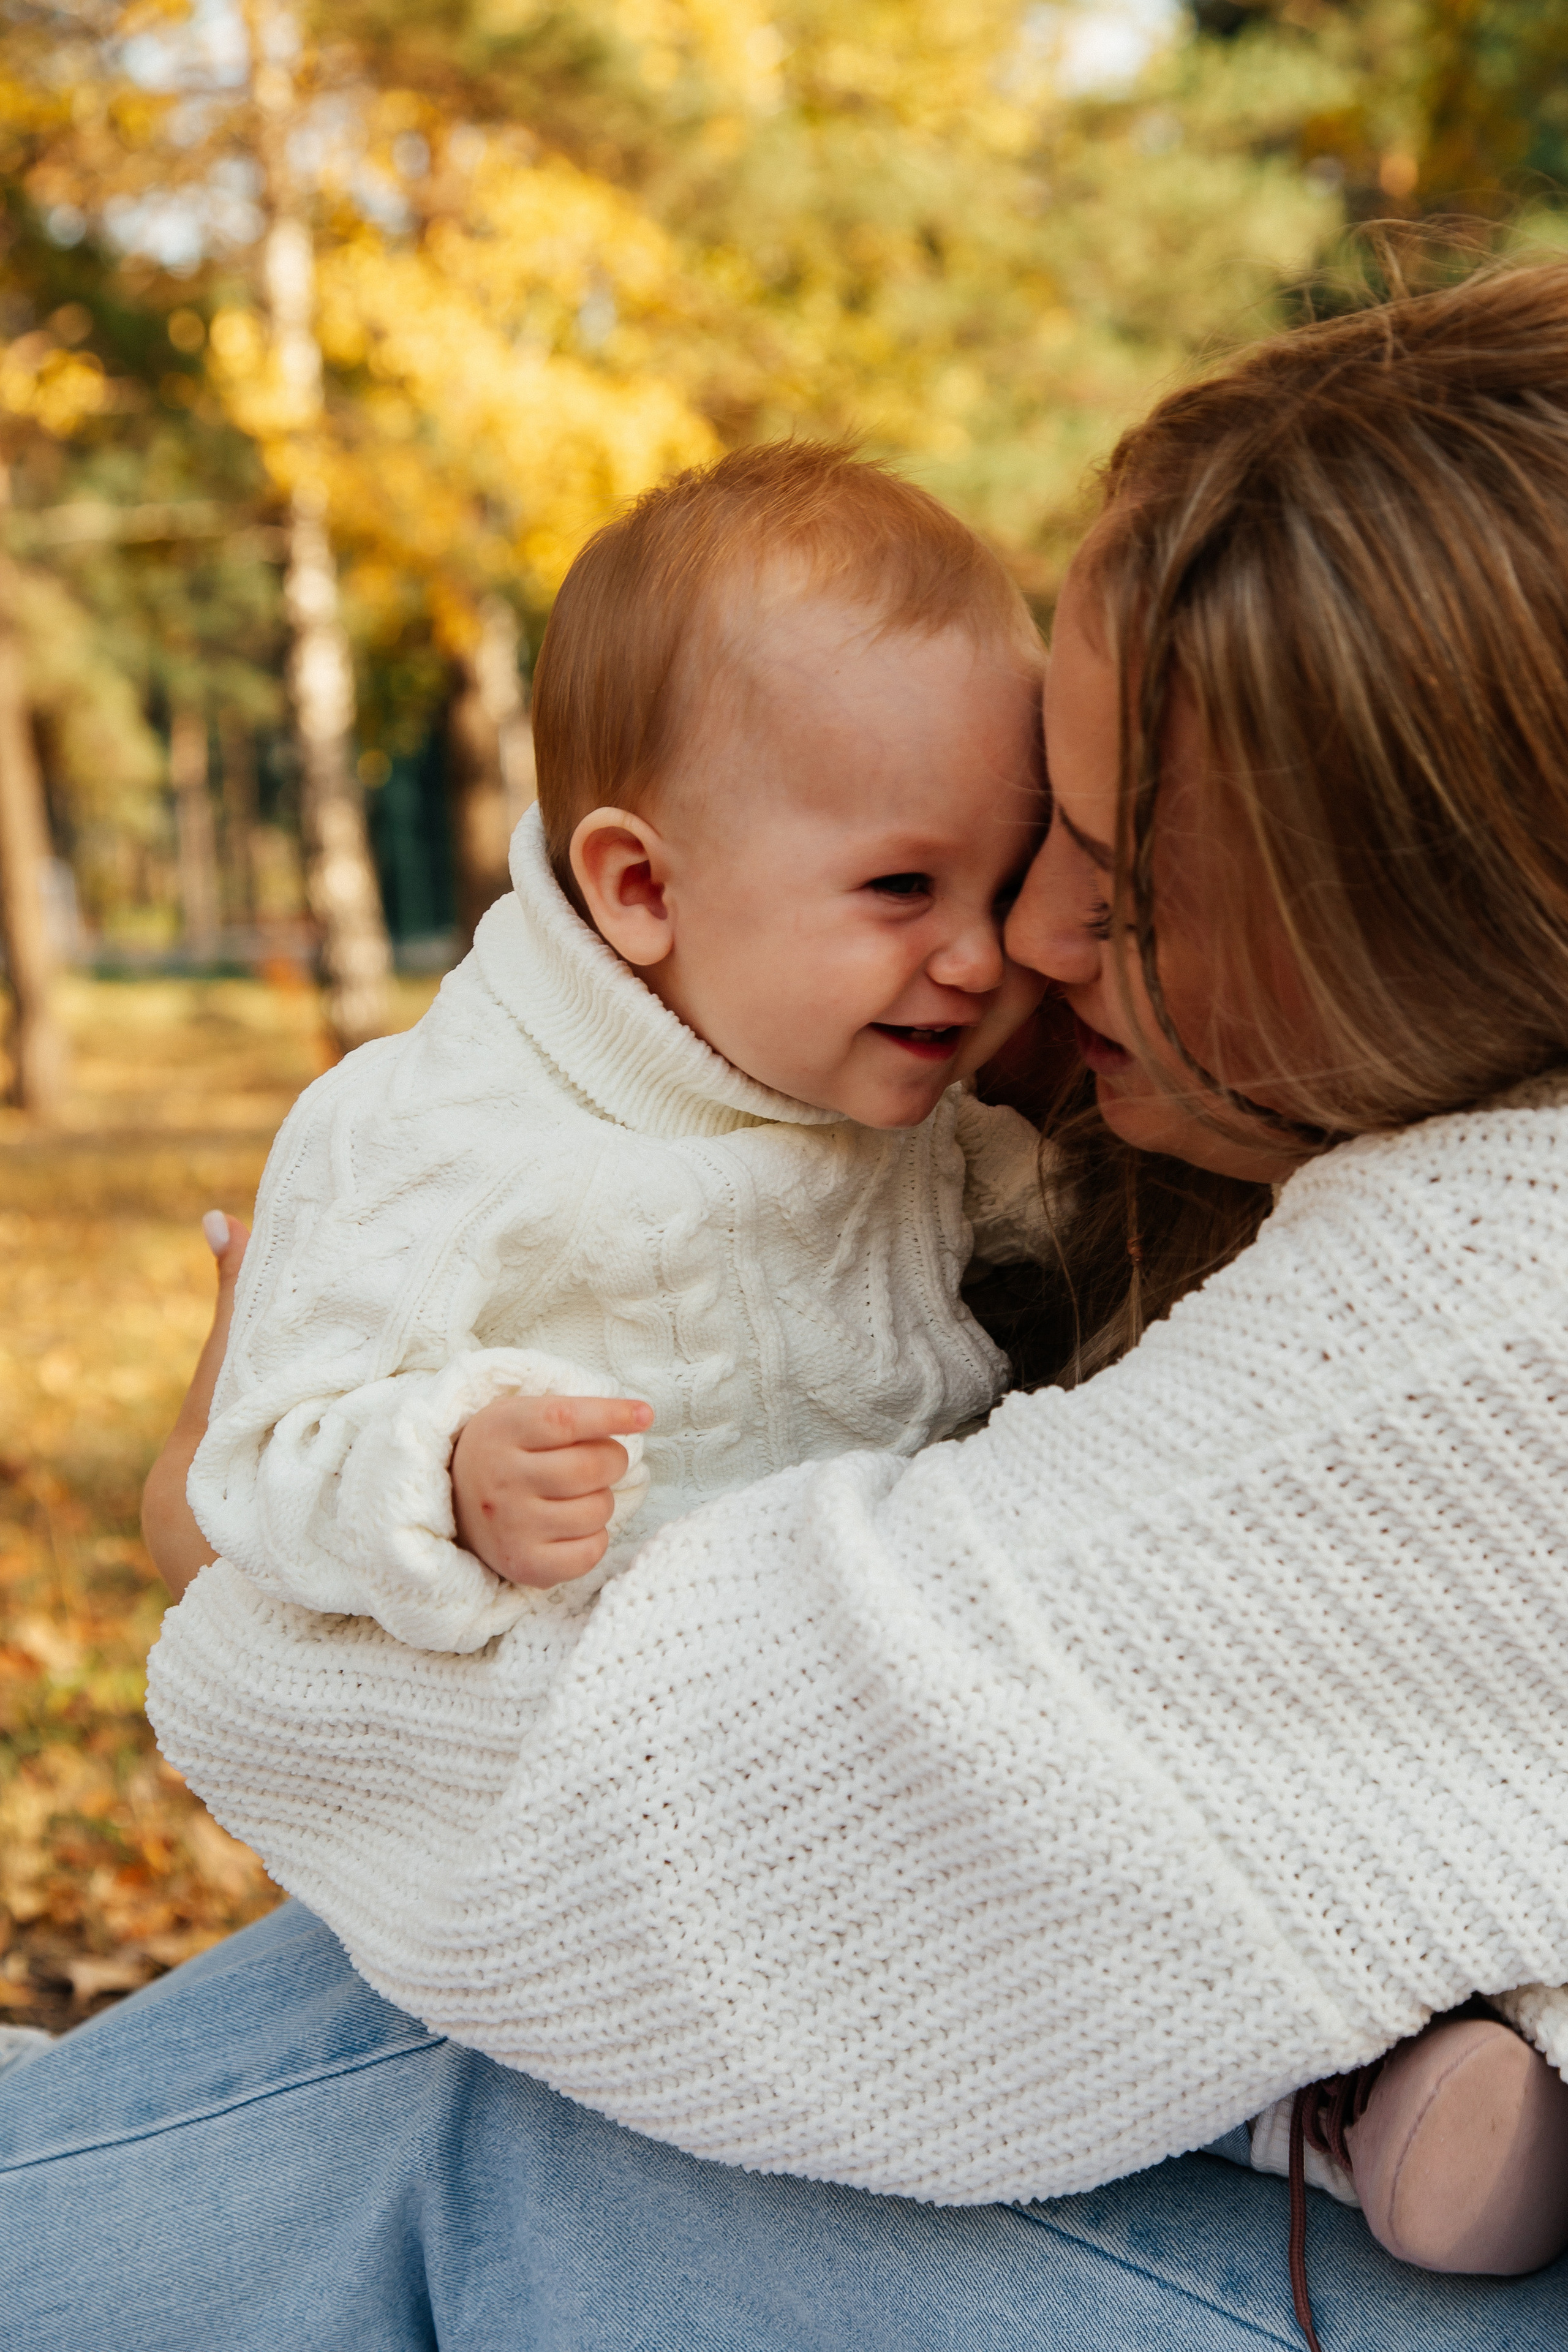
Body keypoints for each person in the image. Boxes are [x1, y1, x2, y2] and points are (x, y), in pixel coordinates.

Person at [6, 259, 1568, 2352]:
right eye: (987, 855)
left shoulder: (1487, 1296)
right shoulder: (519, 1126)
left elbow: (708, 1829)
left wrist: (243, 1558)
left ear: (1428, 916)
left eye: (1116, 873)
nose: (1022, 935)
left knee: (502, 2115)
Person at [172, 442, 1055, 1659]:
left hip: (894, 1687)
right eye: (902, 886)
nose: (977, 957)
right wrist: (450, 1474)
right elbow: (262, 1458)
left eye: (1004, 885)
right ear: (640, 885)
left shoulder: (901, 1102)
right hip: (606, 1751)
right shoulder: (431, 1127)